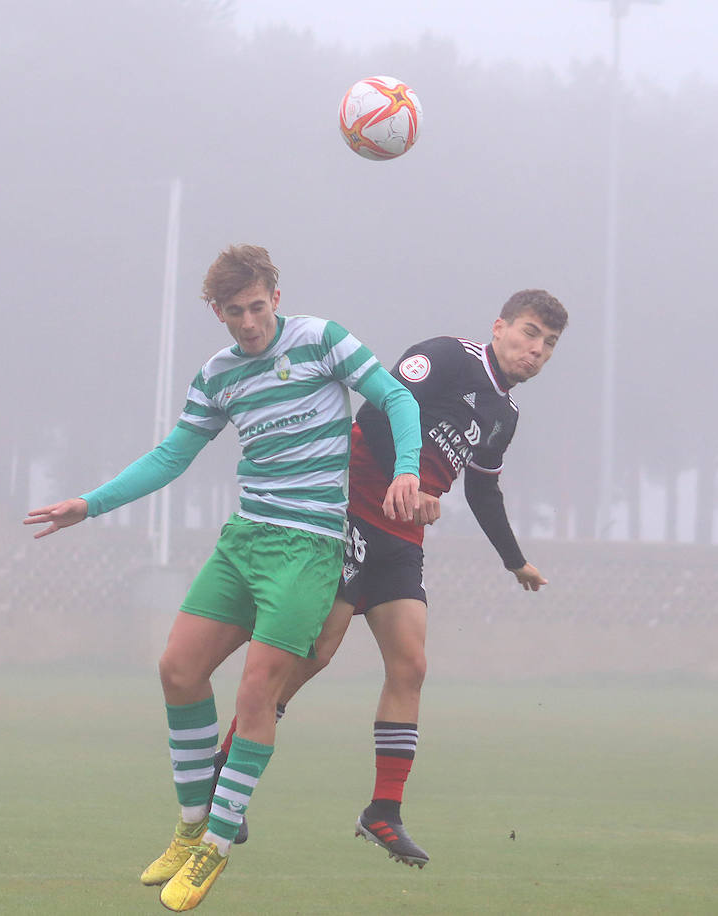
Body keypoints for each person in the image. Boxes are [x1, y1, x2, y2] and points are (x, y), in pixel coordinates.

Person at [25, 244, 422, 912]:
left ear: (275, 292)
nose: (247, 322)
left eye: (256, 306)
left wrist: (407, 468)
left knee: (257, 691)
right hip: (245, 542)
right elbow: (172, 455)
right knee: (177, 669)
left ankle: (217, 845)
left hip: (306, 550)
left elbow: (394, 396)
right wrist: (88, 504)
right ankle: (187, 830)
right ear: (216, 311)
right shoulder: (218, 375)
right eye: (233, 312)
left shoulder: (322, 339)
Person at [214, 289, 568, 868]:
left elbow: (482, 487)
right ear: (499, 326)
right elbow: (376, 413)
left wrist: (514, 559)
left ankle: (383, 811)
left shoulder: (506, 415)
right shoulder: (447, 358)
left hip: (402, 538)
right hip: (349, 509)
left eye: (549, 344)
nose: (536, 350)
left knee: (411, 665)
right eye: (529, 333)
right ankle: (226, 771)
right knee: (317, 650)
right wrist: (410, 483)